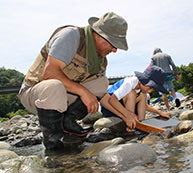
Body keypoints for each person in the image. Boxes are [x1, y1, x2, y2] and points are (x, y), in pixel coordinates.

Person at [17, 12, 128, 150]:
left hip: (62, 95)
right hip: (35, 93)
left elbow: (104, 96)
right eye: (113, 44)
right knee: (54, 86)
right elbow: (50, 73)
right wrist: (83, 92)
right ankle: (54, 147)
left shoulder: (101, 61)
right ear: (99, 35)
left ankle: (67, 122)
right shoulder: (71, 36)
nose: (115, 50)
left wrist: (125, 115)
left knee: (102, 83)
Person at [100, 66, 170, 130]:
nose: (150, 91)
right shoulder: (129, 83)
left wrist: (160, 112)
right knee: (132, 93)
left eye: (153, 89)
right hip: (112, 108)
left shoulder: (142, 90)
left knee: (143, 95)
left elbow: (145, 106)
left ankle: (141, 123)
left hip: (125, 109)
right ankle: (131, 124)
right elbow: (112, 100)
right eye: (150, 87)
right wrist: (128, 115)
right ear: (143, 80)